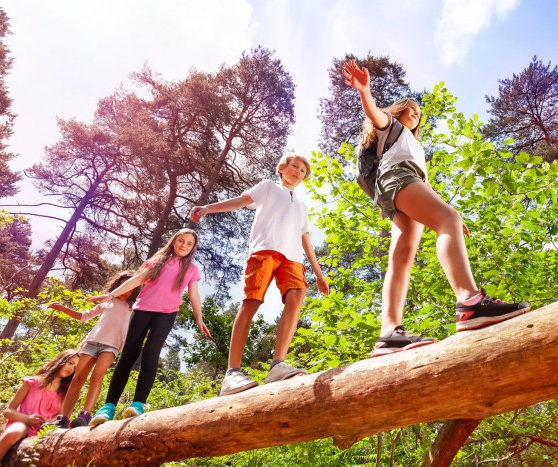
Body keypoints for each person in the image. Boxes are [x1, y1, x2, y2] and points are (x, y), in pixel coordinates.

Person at [342, 59, 530, 357]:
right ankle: (469, 303)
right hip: (397, 178)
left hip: (397, 188)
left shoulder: (412, 145)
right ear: (398, 111)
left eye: (419, 113)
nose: (416, 114)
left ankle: (388, 333)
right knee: (447, 220)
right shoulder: (391, 128)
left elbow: (423, 186)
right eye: (411, 109)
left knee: (402, 258)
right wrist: (365, 91)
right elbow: (375, 114)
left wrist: (446, 216)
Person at [191, 154, 329, 396]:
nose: (298, 172)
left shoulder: (302, 205)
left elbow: (306, 239)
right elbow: (242, 201)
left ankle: (278, 365)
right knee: (252, 301)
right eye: (294, 167)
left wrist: (319, 274)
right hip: (265, 250)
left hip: (293, 257)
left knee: (297, 295)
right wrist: (207, 209)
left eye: (303, 171)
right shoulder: (268, 187)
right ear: (282, 168)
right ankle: (232, 373)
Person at [87, 228, 211, 425]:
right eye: (181, 240)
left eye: (189, 243)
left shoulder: (191, 270)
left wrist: (199, 318)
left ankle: (138, 404)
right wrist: (110, 295)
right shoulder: (158, 261)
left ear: (193, 248)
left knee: (151, 353)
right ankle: (108, 406)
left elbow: (194, 295)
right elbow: (136, 280)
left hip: (167, 314)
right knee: (128, 355)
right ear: (174, 241)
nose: (184, 245)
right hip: (143, 310)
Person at [46, 271, 139, 428]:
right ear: (116, 286)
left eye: (127, 287)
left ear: (134, 289)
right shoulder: (106, 302)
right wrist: (63, 309)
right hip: (92, 342)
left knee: (97, 376)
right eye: (121, 285)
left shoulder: (134, 307)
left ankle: (85, 415)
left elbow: (139, 326)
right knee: (78, 378)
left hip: (112, 345)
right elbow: (84, 316)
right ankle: (63, 418)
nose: (124, 290)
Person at [0, 350, 79, 465]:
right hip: (23, 423)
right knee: (12, 433)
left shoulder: (63, 392)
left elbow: (60, 417)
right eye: (70, 363)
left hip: (47, 429)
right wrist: (27, 419)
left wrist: (49, 422)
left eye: (75, 368)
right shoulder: (32, 382)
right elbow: (8, 412)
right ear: (61, 360)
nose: (71, 369)